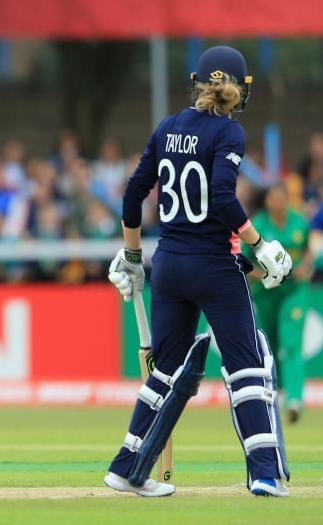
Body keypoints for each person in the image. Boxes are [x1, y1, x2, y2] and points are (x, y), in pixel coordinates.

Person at [104, 46, 293, 497]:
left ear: (197, 81)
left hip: (168, 263)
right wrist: (260, 245)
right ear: (238, 90)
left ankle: (126, 467)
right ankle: (265, 473)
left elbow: (133, 195)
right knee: (247, 366)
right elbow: (223, 198)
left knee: (165, 371)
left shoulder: (167, 127)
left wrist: (132, 255)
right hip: (213, 265)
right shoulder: (228, 132)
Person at [246, 184, 309, 423]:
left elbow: (306, 252)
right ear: (268, 201)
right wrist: (263, 276)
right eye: (275, 197)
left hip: (293, 291)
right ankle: (273, 393)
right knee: (269, 346)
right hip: (266, 293)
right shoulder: (257, 226)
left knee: (291, 342)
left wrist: (304, 267)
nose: (280, 202)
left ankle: (294, 399)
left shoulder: (299, 222)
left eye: (283, 197)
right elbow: (244, 260)